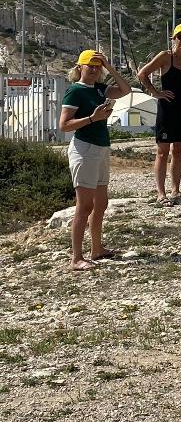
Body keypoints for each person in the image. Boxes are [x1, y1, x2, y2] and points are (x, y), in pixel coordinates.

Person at [59, 50, 131, 270]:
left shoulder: (100, 88)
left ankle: (97, 248)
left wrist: (109, 67)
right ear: (79, 67)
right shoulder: (75, 91)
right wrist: (92, 118)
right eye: (90, 65)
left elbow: (126, 90)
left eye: (97, 66)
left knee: (101, 202)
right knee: (85, 205)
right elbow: (64, 125)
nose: (94, 69)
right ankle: (76, 258)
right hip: (84, 149)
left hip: (101, 148)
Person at [138, 23, 181, 205]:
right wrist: (156, 92)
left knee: (179, 150)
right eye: (180, 37)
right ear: (173, 38)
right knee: (162, 151)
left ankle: (175, 190)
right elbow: (142, 74)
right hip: (166, 108)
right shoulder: (165, 57)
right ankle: (161, 193)